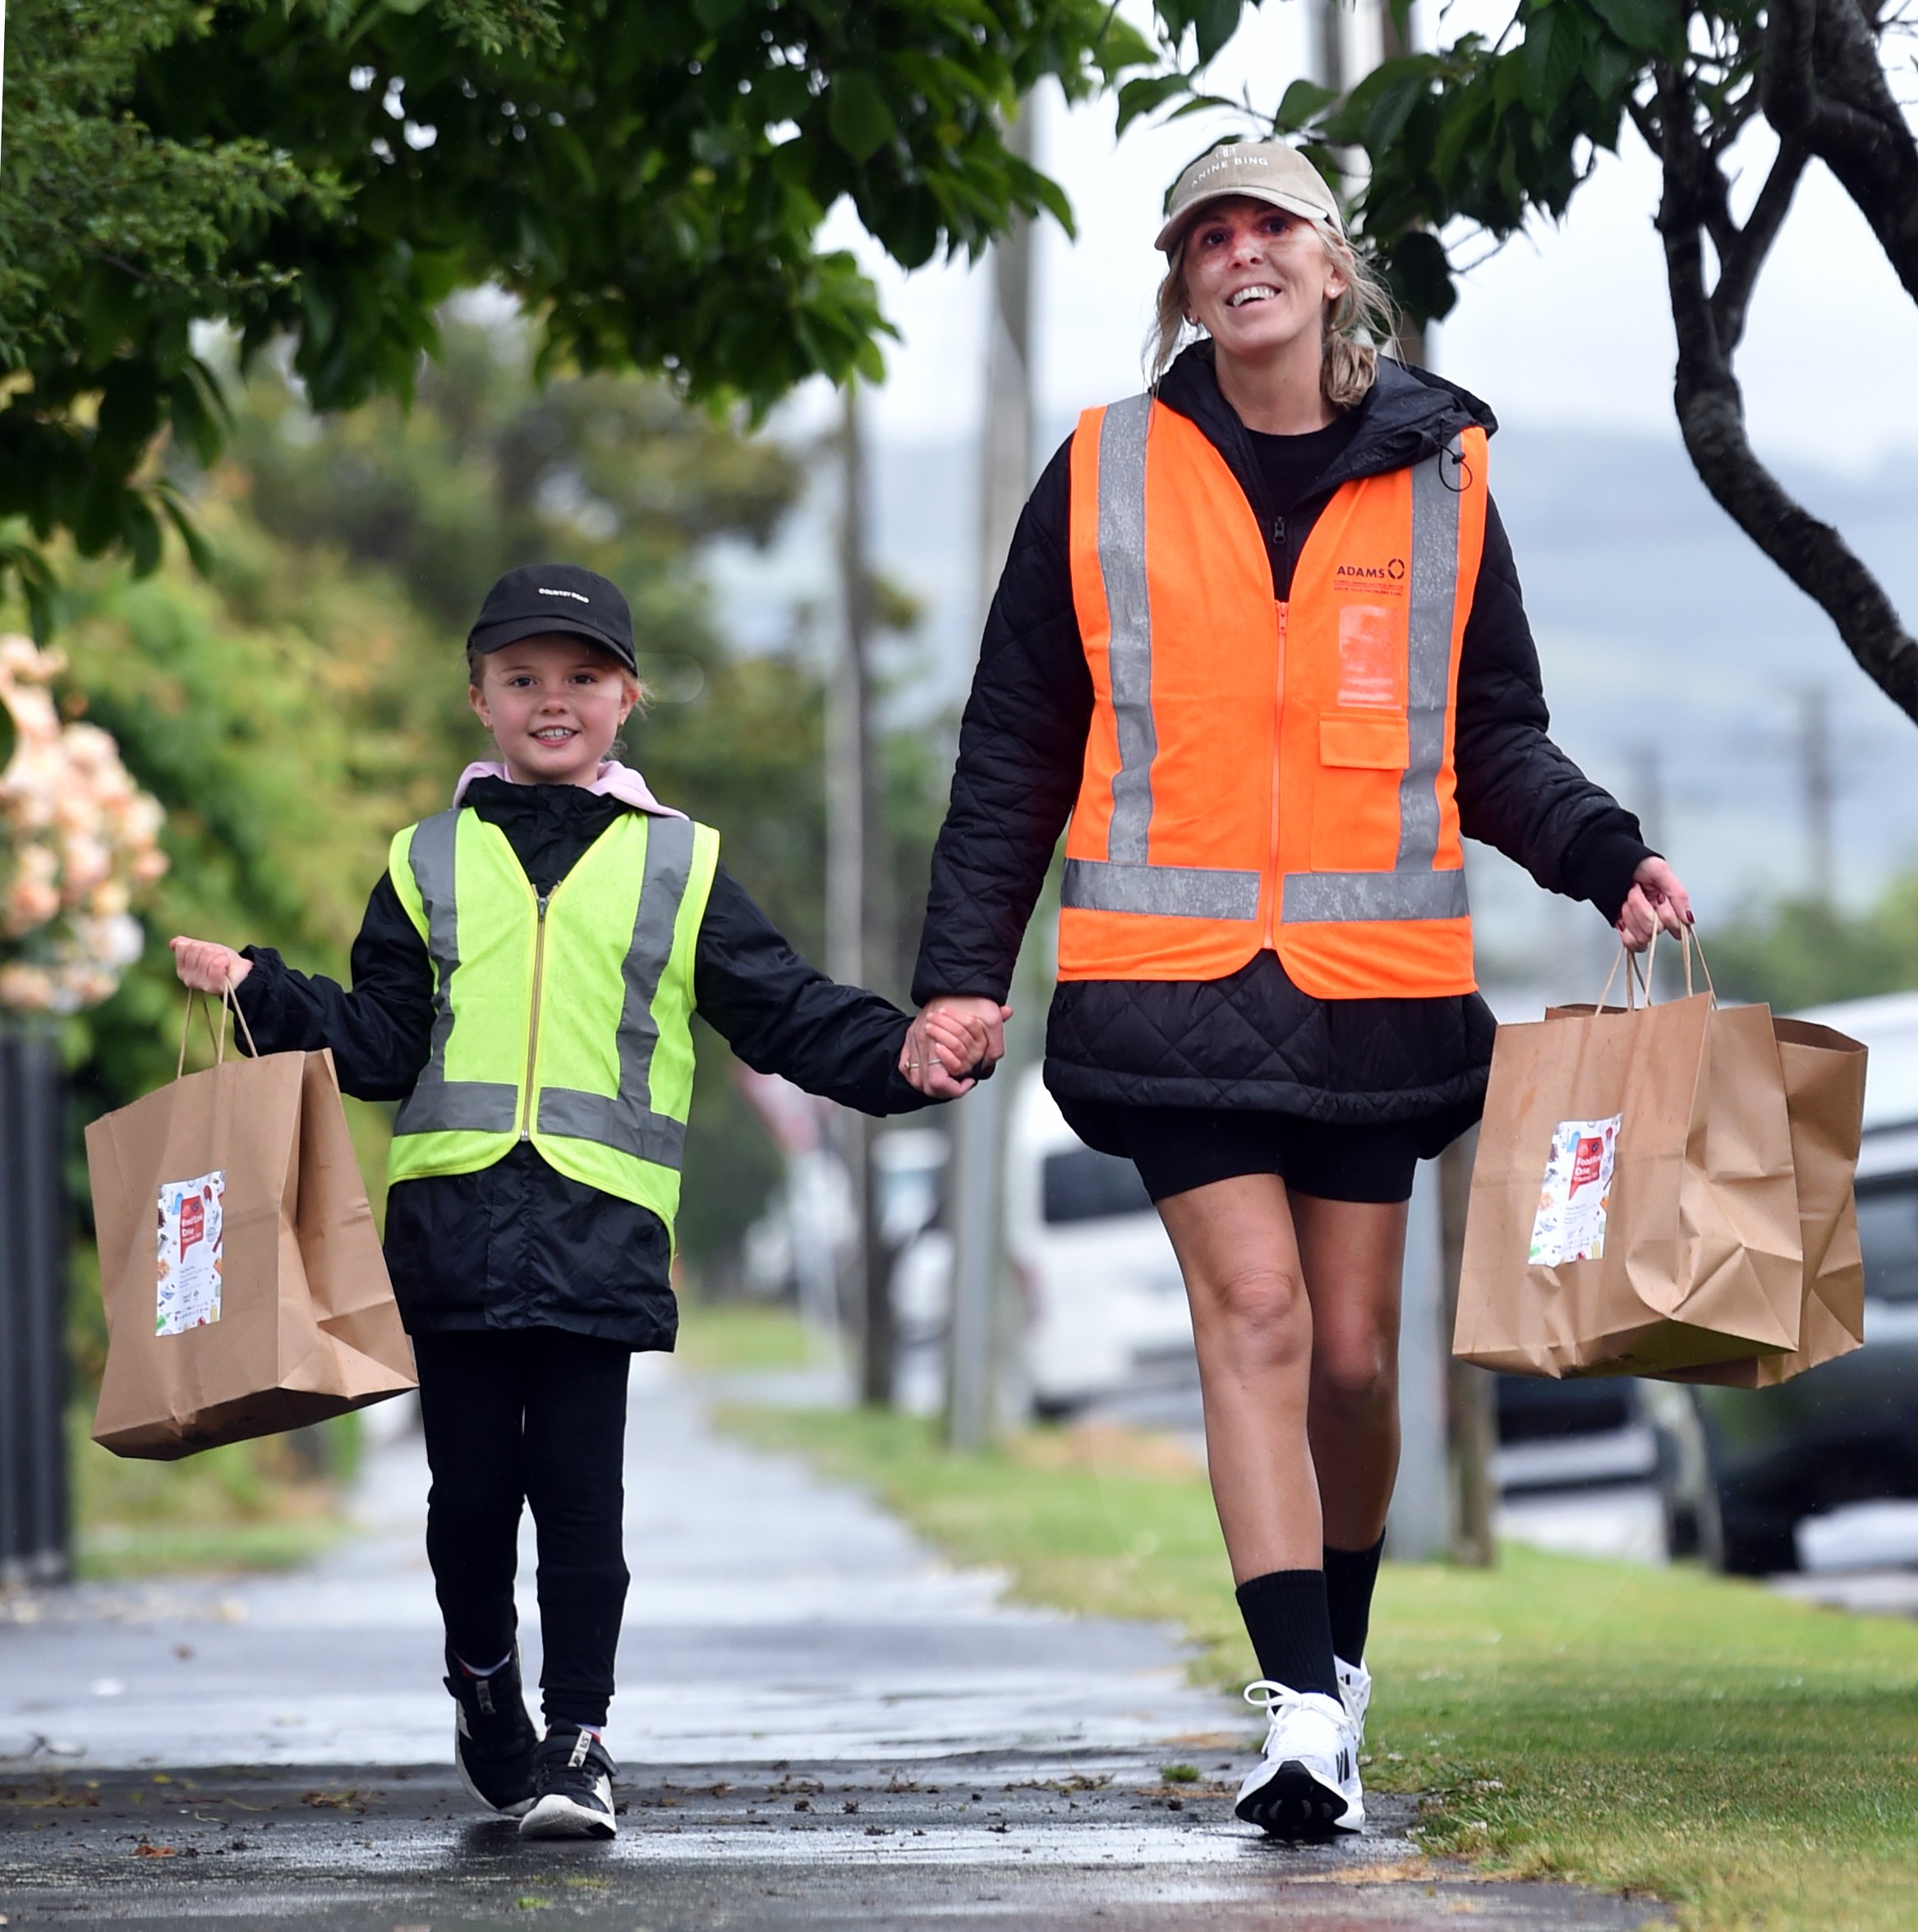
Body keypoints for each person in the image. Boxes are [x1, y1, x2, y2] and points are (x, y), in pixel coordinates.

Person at [898, 141, 1692, 1838]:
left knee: (1348, 1360)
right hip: (1160, 984)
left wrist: (1602, 852)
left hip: (1373, 990)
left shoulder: (1443, 473)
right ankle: (1295, 1712)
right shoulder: (1103, 471)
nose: (1236, 255)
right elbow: (1016, 749)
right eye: (1206, 236)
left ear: (1335, 266)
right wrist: (962, 979)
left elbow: (1488, 735)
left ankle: (1340, 1660)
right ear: (1182, 279)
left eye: (1267, 228)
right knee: (1248, 1317)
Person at [171, 564, 991, 1842]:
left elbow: (780, 1009)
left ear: (626, 700)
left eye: (583, 678)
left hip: (599, 1234)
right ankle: (483, 1688)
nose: (553, 700)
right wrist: (257, 988)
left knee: (580, 1500)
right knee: (466, 1505)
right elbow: (381, 1046)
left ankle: (580, 1744)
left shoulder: (682, 864)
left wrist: (902, 1057)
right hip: (448, 1233)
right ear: (481, 701)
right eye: (523, 679)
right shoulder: (423, 860)